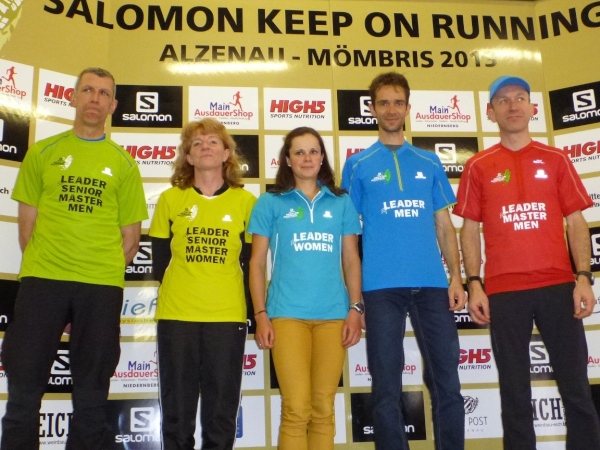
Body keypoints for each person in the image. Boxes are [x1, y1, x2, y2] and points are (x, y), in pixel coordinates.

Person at [2, 67, 147, 449]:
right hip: (43, 283)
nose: (94, 98)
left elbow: (131, 241)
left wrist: (93, 274)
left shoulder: (124, 164)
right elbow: (27, 229)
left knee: (91, 398)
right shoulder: (42, 152)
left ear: (113, 105)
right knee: (23, 392)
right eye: (88, 90)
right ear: (73, 97)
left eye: (103, 93)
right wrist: (54, 272)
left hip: (100, 288)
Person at [455, 75, 600, 450]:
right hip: (505, 292)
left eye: (520, 98)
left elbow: (576, 223)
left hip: (559, 287)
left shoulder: (556, 159)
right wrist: (475, 284)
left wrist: (584, 277)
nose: (513, 106)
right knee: (514, 393)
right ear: (491, 112)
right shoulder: (478, 165)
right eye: (503, 100)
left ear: (533, 108)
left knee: (576, 388)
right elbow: (469, 230)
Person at [341, 72, 466, 450]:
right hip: (380, 288)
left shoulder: (429, 161)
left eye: (398, 102)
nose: (391, 109)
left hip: (432, 285)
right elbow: (349, 235)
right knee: (385, 388)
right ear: (372, 109)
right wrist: (354, 298)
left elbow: (444, 225)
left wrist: (456, 278)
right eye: (383, 103)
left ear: (408, 108)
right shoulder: (358, 164)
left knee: (448, 384)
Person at [248, 127, 363, 450]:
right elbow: (257, 263)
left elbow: (351, 260)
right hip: (287, 316)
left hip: (333, 316)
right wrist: (260, 314)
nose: (307, 158)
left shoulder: (341, 202)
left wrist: (355, 308)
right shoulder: (270, 202)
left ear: (322, 157)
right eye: (299, 152)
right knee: (296, 408)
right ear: (287, 159)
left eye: (313, 151)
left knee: (323, 408)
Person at [149, 118, 256, 450]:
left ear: (226, 154)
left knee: (221, 414)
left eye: (213, 142)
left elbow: (252, 263)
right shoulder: (170, 199)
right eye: (197, 143)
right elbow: (159, 261)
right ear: (188, 157)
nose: (205, 147)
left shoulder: (246, 202)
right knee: (177, 414)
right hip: (176, 316)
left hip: (226, 317)